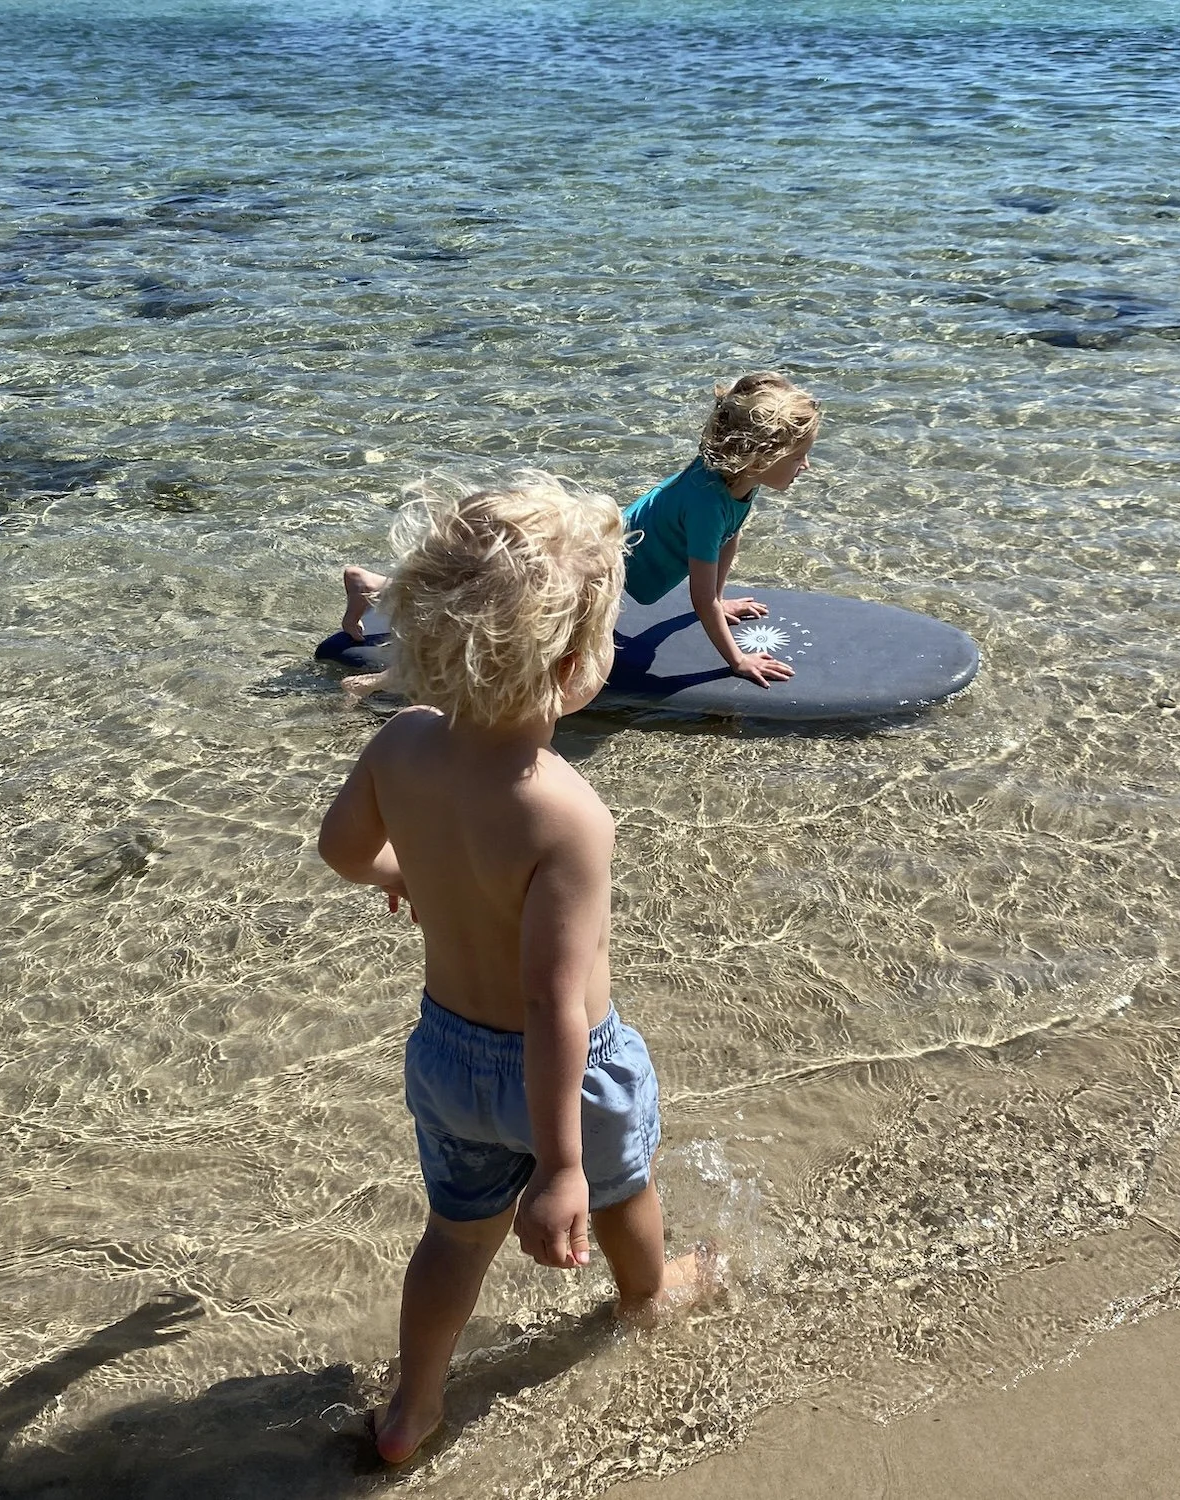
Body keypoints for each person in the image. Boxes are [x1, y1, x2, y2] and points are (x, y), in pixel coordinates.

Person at [318, 475, 715, 1466]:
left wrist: (400, 871)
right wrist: (562, 1165)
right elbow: (550, 1004)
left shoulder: (402, 742)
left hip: (445, 1059)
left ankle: (412, 1408)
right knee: (624, 1199)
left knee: (453, 1239)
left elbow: (338, 849)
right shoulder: (567, 813)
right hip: (564, 1080)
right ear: (578, 663)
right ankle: (648, 1295)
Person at [339, 372, 821, 689]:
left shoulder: (737, 482)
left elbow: (728, 541)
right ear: (760, 458)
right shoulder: (709, 502)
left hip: (600, 555)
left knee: (487, 595)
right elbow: (700, 594)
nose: (806, 466)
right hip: (590, 562)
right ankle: (385, 674)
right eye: (799, 456)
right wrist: (736, 660)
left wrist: (721, 597)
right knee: (493, 612)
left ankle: (372, 586)